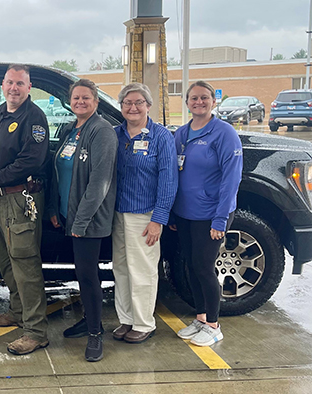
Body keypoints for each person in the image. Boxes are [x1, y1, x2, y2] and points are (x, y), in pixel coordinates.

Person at [0, 64, 50, 356]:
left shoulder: (34, 118)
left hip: (19, 199)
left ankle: (35, 331)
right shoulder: (0, 114)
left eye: (20, 84)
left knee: (26, 264)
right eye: (9, 83)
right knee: (7, 261)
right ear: (2, 85)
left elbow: (29, 161)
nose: (14, 88)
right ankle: (18, 312)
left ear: (29, 87)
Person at [47, 79, 118, 362]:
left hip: (88, 220)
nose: (80, 102)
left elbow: (100, 182)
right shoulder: (71, 129)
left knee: (88, 277)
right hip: (68, 215)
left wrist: (80, 221)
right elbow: (59, 168)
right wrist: (55, 208)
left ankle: (95, 335)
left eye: (86, 98)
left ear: (96, 101)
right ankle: (91, 321)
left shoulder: (101, 131)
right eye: (76, 98)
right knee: (79, 273)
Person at [171, 81, 243, 347]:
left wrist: (220, 218)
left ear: (214, 101)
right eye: (193, 98)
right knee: (191, 266)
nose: (198, 102)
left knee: (204, 267)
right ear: (187, 102)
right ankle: (200, 318)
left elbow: (231, 179)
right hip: (185, 215)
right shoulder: (181, 134)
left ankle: (213, 324)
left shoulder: (224, 134)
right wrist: (171, 215)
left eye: (204, 98)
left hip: (211, 215)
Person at [111, 83, 177, 344]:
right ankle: (126, 319)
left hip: (144, 215)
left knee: (143, 270)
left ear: (148, 106)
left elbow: (169, 180)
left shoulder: (161, 137)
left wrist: (158, 219)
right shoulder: (116, 134)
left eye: (139, 102)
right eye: (127, 103)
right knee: (122, 269)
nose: (133, 107)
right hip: (118, 213)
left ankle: (143, 322)